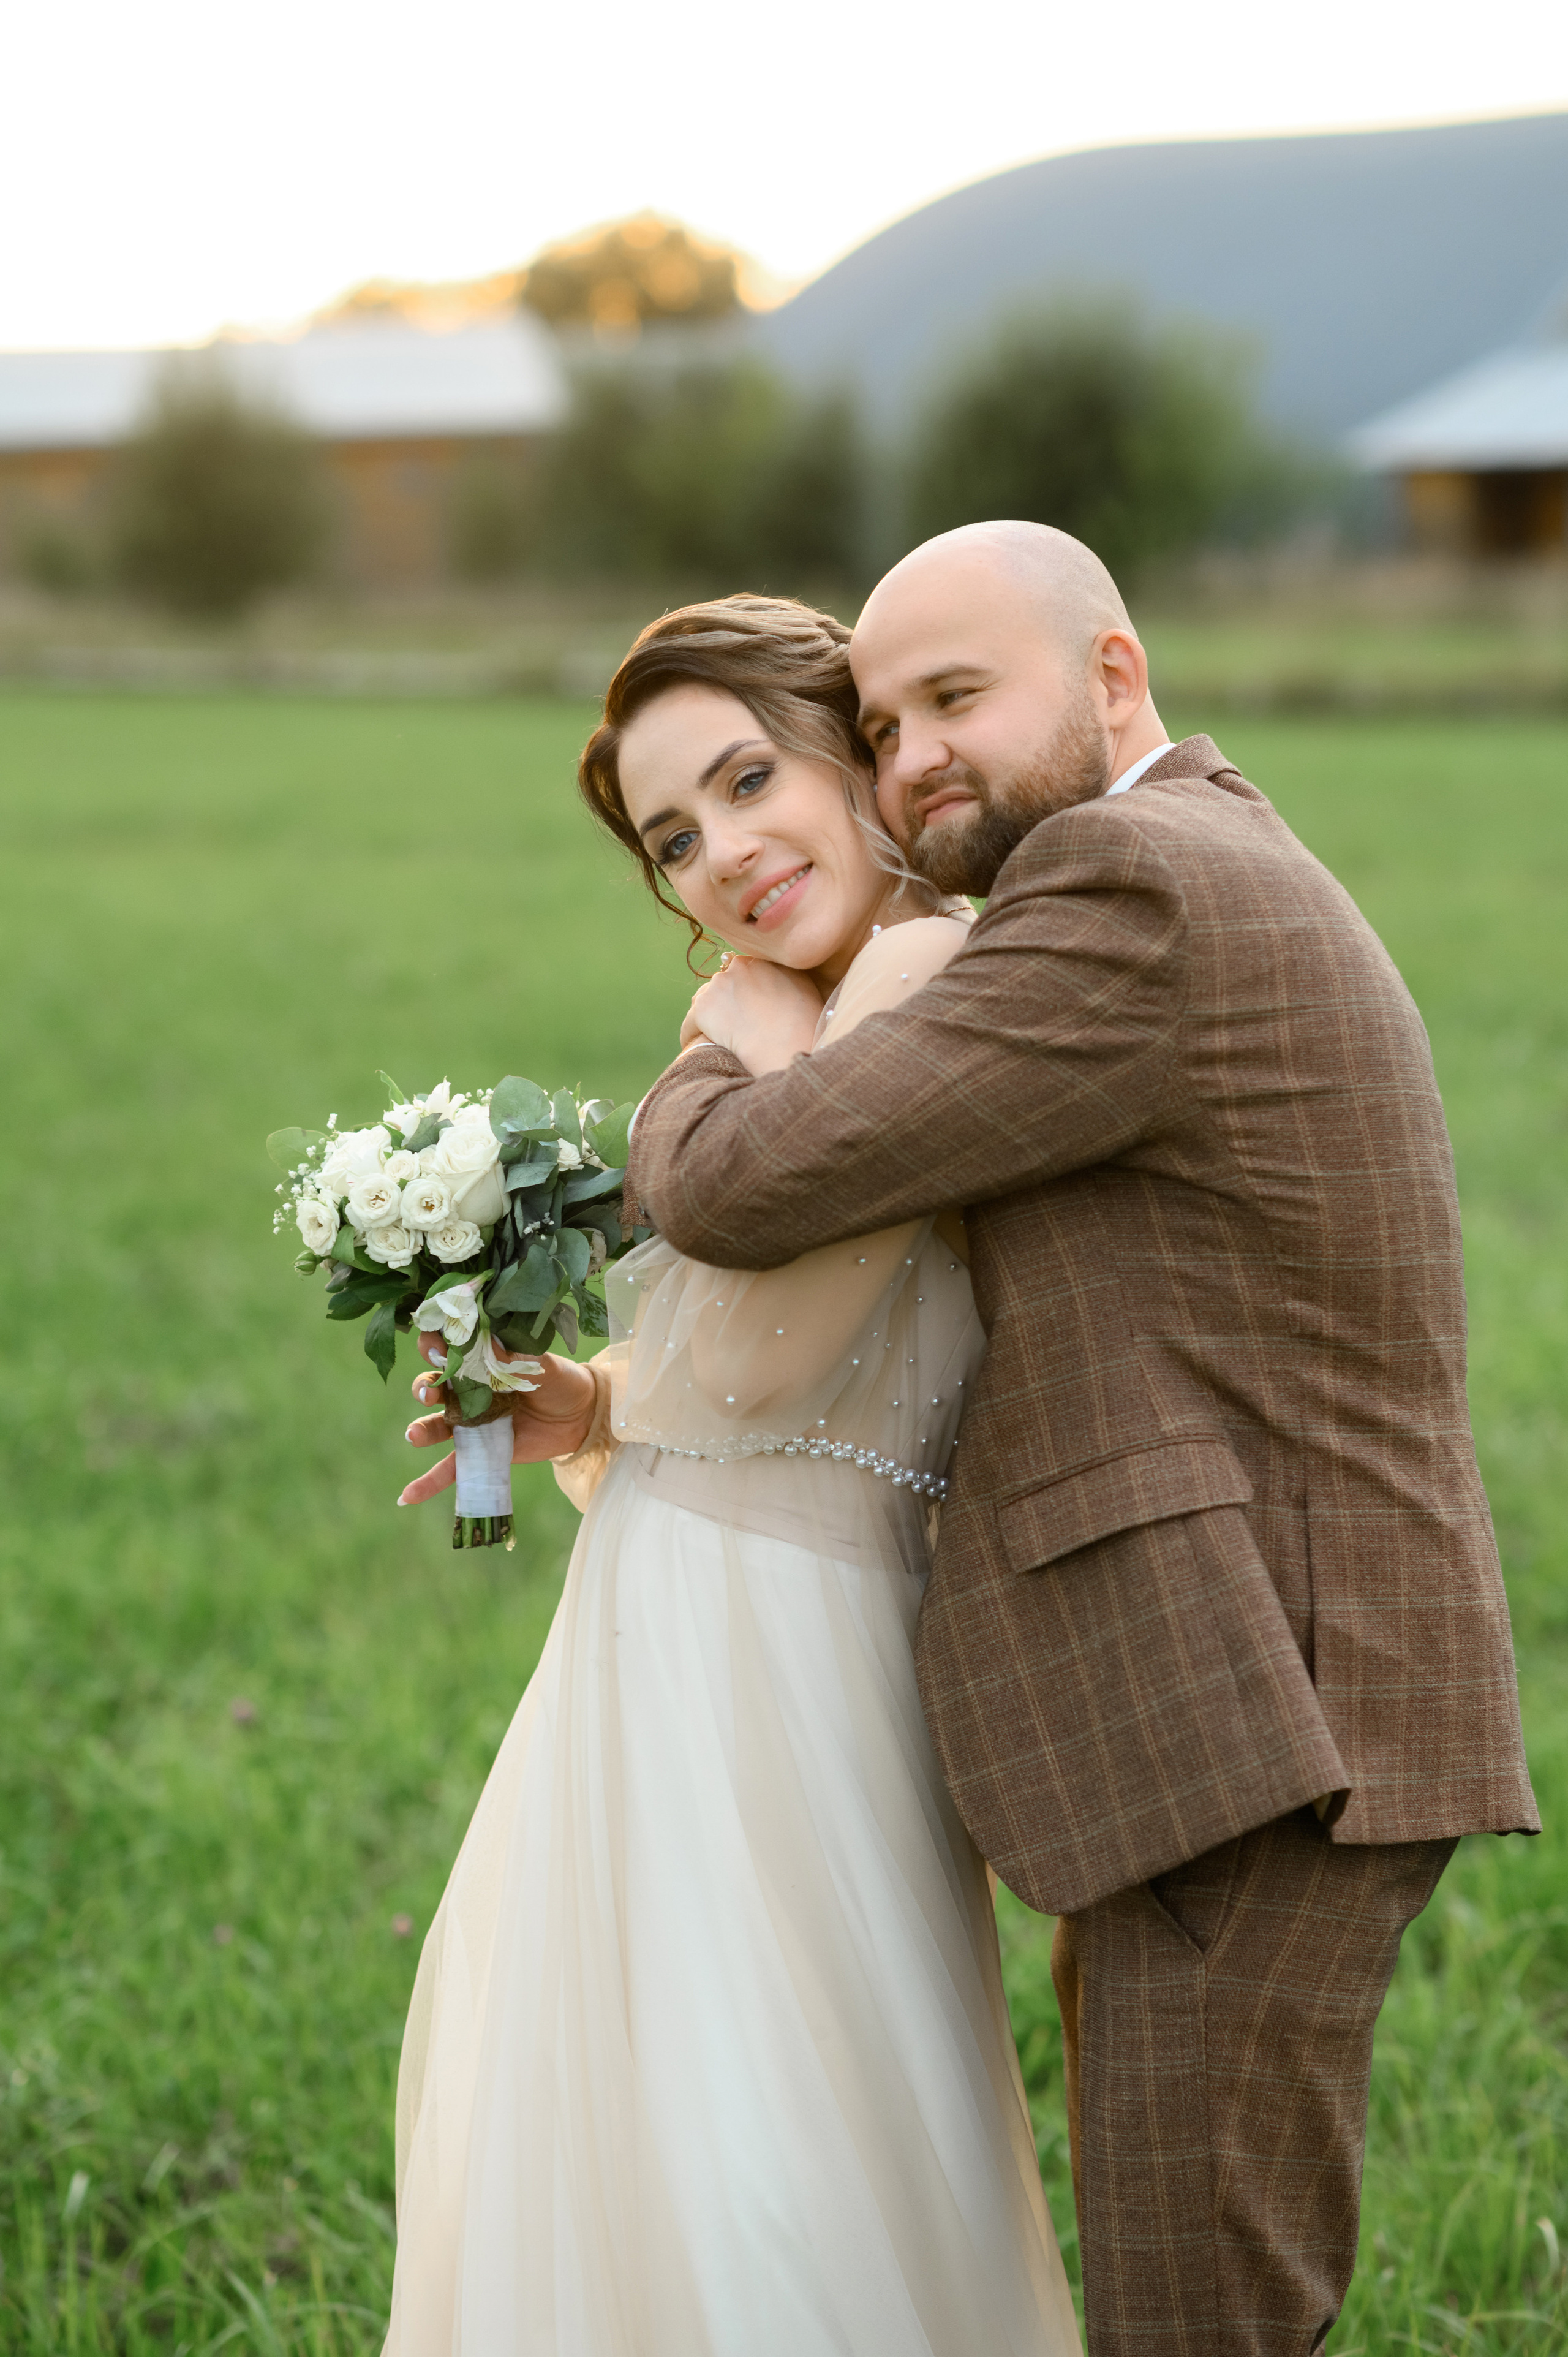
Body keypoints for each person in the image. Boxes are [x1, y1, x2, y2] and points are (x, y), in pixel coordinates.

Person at [624, 523, 1539, 2357]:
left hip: (1272, 1708)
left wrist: (729, 1035)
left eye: (958, 697)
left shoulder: (1133, 881)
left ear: (1113, 674)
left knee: (1198, 2315)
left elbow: (736, 1185)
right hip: (1240, 1698)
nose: (916, 760)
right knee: (1190, 2285)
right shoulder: (1192, 855)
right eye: (884, 727)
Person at [383, 595, 1082, 2357]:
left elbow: (766, 1362)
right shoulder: (826, 999)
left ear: (856, 754)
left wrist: (756, 1046)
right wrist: (594, 1399)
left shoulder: (916, 975)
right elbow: (772, 1366)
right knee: (672, 2114)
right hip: (692, 1616)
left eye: (751, 779)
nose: (723, 856)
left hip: (782, 1653)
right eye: (675, 838)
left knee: (757, 2136)